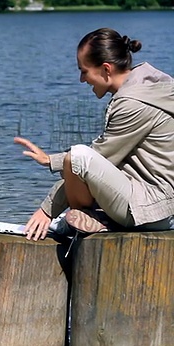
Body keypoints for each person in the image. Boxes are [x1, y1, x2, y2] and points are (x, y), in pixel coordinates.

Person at [14, 27, 174, 241]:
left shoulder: (134, 104)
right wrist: (52, 161)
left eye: (84, 71)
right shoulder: (148, 86)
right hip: (155, 202)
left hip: (153, 209)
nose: (82, 79)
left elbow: (95, 158)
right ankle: (93, 220)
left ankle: (90, 222)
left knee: (78, 156)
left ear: (106, 69)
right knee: (76, 159)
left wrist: (47, 209)